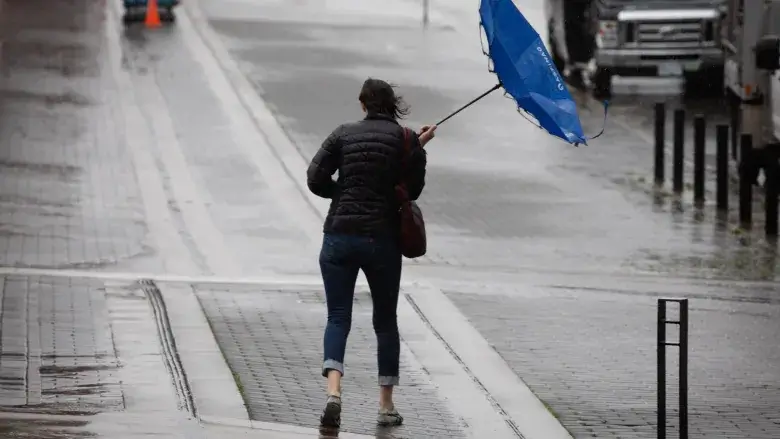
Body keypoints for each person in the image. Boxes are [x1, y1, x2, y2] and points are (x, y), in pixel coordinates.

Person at [306, 78, 437, 428]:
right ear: (392, 104)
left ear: (362, 104)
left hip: (339, 235)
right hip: (381, 239)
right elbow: (412, 190)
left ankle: (333, 393)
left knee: (337, 316)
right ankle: (385, 405)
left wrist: (342, 193)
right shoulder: (406, 138)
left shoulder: (342, 133)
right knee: (385, 321)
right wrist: (417, 148)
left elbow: (315, 177)